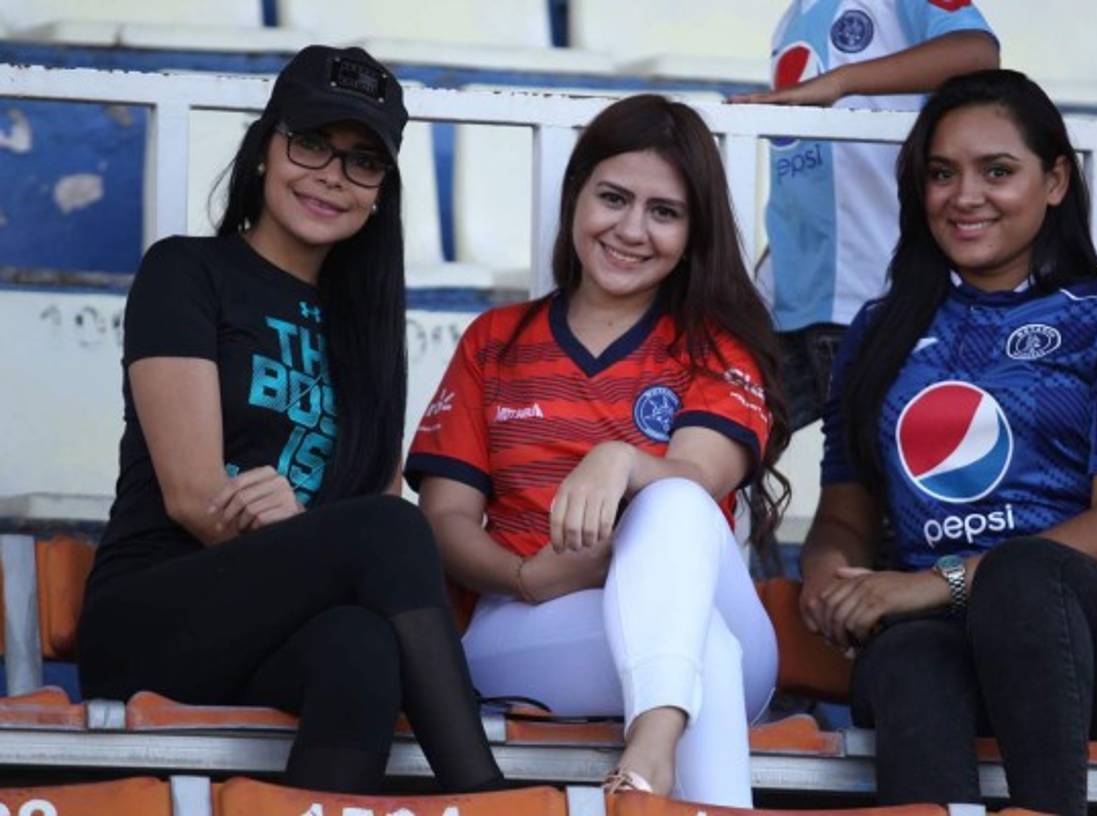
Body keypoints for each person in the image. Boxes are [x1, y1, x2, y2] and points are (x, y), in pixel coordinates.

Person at [76, 45, 503, 795]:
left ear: (382, 193)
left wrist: (308, 526)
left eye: (363, 162)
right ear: (266, 147)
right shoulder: (186, 272)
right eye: (312, 143)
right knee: (392, 527)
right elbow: (193, 496)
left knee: (361, 648)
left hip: (281, 627)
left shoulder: (367, 331)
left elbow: (363, 501)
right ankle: (488, 796)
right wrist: (308, 532)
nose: (332, 177)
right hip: (155, 611)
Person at [799, 69, 1097, 814]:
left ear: (1054, 180)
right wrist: (834, 577)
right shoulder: (879, 331)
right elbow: (844, 515)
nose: (965, 196)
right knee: (908, 654)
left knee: (1023, 575)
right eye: (941, 173)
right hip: (949, 643)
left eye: (997, 171)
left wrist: (938, 581)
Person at [407, 94, 788, 808]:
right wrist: (528, 578)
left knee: (674, 505)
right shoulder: (496, 341)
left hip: (713, 623)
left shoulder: (717, 347)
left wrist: (618, 458)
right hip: (524, 628)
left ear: (692, 231)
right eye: (613, 198)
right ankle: (652, 771)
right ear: (575, 192)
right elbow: (443, 522)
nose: (632, 230)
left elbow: (698, 480)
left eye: (664, 212)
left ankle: (649, 752)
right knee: (702, 647)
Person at [732, 0, 998, 430]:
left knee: (875, 478)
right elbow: (801, 186)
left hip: (876, 297)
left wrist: (841, 84)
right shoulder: (793, 18)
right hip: (788, 302)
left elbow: (977, 51)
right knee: (722, 445)